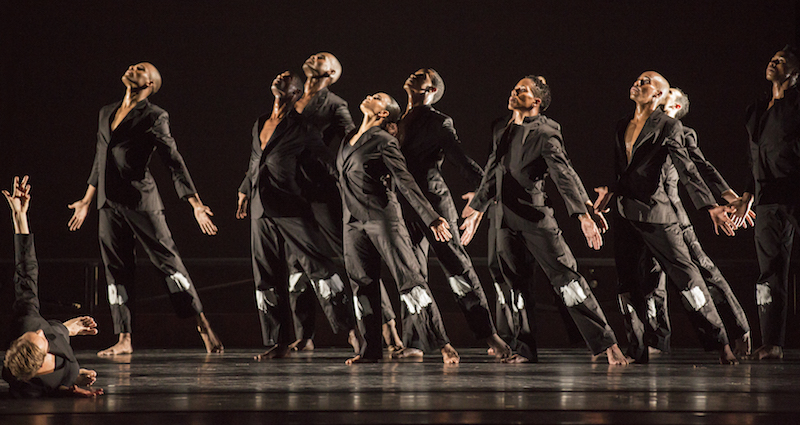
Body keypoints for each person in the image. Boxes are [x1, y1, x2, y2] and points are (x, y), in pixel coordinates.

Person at [461, 76, 628, 365]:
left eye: (522, 90)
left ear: (536, 101)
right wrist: (477, 210)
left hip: (536, 220)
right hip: (504, 220)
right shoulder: (502, 129)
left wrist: (583, 215)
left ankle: (606, 343)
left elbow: (564, 174)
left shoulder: (546, 132)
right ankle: (524, 349)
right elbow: (492, 172)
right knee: (515, 287)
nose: (514, 91)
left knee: (567, 279)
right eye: (514, 88)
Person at [67, 62, 223, 356]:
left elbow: (173, 161)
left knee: (168, 263)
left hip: (141, 201)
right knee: (116, 270)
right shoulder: (106, 112)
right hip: (108, 203)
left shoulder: (154, 115)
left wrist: (195, 204)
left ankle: (202, 324)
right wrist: (86, 200)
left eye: (140, 69)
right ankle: (124, 338)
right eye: (132, 66)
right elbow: (100, 159)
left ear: (150, 84)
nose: (132, 68)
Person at [593, 71, 738, 364]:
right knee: (628, 284)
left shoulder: (669, 125)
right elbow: (623, 171)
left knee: (688, 278)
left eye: (646, 82)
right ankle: (637, 348)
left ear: (658, 95)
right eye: (637, 79)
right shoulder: (622, 124)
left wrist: (710, 206)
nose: (638, 83)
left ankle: (721, 343)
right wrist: (609, 192)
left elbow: (688, 168)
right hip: (625, 215)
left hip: (658, 216)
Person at [394, 68, 514, 360]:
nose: (414, 74)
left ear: (432, 90)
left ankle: (489, 334)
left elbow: (460, 158)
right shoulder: (395, 121)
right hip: (404, 206)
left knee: (457, 268)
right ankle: (415, 340)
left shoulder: (439, 121)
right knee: (411, 274)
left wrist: (485, 193)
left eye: (422, 75)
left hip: (435, 204)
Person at [286, 52, 401, 352]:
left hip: (322, 191)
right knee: (297, 262)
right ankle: (304, 333)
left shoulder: (335, 105)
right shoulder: (289, 99)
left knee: (353, 258)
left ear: (332, 74)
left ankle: (386, 325)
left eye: (323, 58)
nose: (315, 56)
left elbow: (355, 137)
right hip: (290, 193)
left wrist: (362, 171)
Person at [236, 71, 355, 360]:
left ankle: (352, 329)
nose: (280, 77)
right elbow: (255, 160)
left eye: (287, 78)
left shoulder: (303, 127)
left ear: (295, 93)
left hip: (290, 206)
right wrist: (244, 190)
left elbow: (327, 161)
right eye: (279, 75)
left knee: (319, 266)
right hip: (260, 208)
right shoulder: (260, 121)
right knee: (265, 276)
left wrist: (351, 185)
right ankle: (278, 342)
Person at [338, 92, 458, 364]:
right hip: (352, 223)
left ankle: (441, 342)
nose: (369, 96)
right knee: (362, 284)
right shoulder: (349, 138)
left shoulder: (384, 141)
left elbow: (405, 181)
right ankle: (369, 351)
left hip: (382, 218)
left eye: (377, 97)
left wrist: (431, 217)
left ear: (383, 114)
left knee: (409, 279)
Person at [643, 88, 753, 356]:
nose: (662, 90)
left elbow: (700, 167)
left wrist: (729, 197)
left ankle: (738, 330)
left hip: (673, 214)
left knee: (703, 270)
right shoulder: (641, 128)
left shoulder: (682, 131)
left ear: (676, 106)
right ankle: (657, 339)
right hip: (645, 215)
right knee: (651, 276)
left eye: (670, 91)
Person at [2, 176, 104, 398]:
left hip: (57, 335)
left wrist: (19, 216)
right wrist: (71, 385)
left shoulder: (27, 324)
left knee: (53, 329)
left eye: (30, 334)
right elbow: (48, 389)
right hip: (58, 367)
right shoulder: (30, 386)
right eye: (40, 338)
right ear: (42, 362)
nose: (40, 331)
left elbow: (26, 272)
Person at [743, 46, 800, 360]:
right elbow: (754, 157)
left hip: (794, 191)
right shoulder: (756, 109)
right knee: (770, 270)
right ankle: (772, 343)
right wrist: (747, 194)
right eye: (772, 58)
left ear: (795, 72)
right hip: (767, 199)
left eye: (782, 60)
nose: (773, 62)